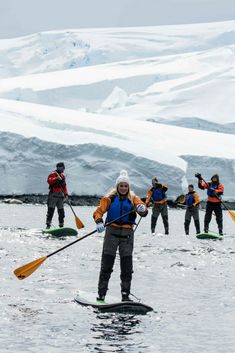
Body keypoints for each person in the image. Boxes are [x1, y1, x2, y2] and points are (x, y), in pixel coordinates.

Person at [93, 170, 148, 302]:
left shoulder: (134, 198)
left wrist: (142, 209)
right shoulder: (110, 198)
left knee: (127, 268)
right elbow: (98, 212)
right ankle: (101, 294)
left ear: (128, 187)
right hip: (111, 233)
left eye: (125, 186)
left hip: (127, 236)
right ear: (117, 187)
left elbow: (143, 210)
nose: (123, 188)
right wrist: (99, 222)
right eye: (121, 185)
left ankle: (125, 295)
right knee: (106, 266)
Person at [46, 162, 68, 229]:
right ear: (59, 167)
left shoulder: (62, 176)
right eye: (63, 167)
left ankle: (61, 226)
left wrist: (66, 194)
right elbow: (49, 181)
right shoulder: (52, 174)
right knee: (51, 211)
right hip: (53, 195)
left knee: (61, 212)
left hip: (60, 196)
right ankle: (48, 226)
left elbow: (64, 186)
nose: (64, 169)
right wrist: (56, 179)